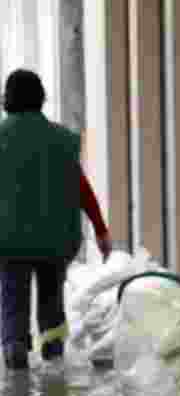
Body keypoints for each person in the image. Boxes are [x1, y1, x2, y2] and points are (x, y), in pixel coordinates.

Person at [0, 68, 111, 370]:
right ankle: (52, 348)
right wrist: (100, 230)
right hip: (54, 239)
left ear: (6, 99)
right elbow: (82, 189)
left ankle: (15, 346)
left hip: (9, 241)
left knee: (13, 297)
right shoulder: (61, 140)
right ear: (41, 98)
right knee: (51, 299)